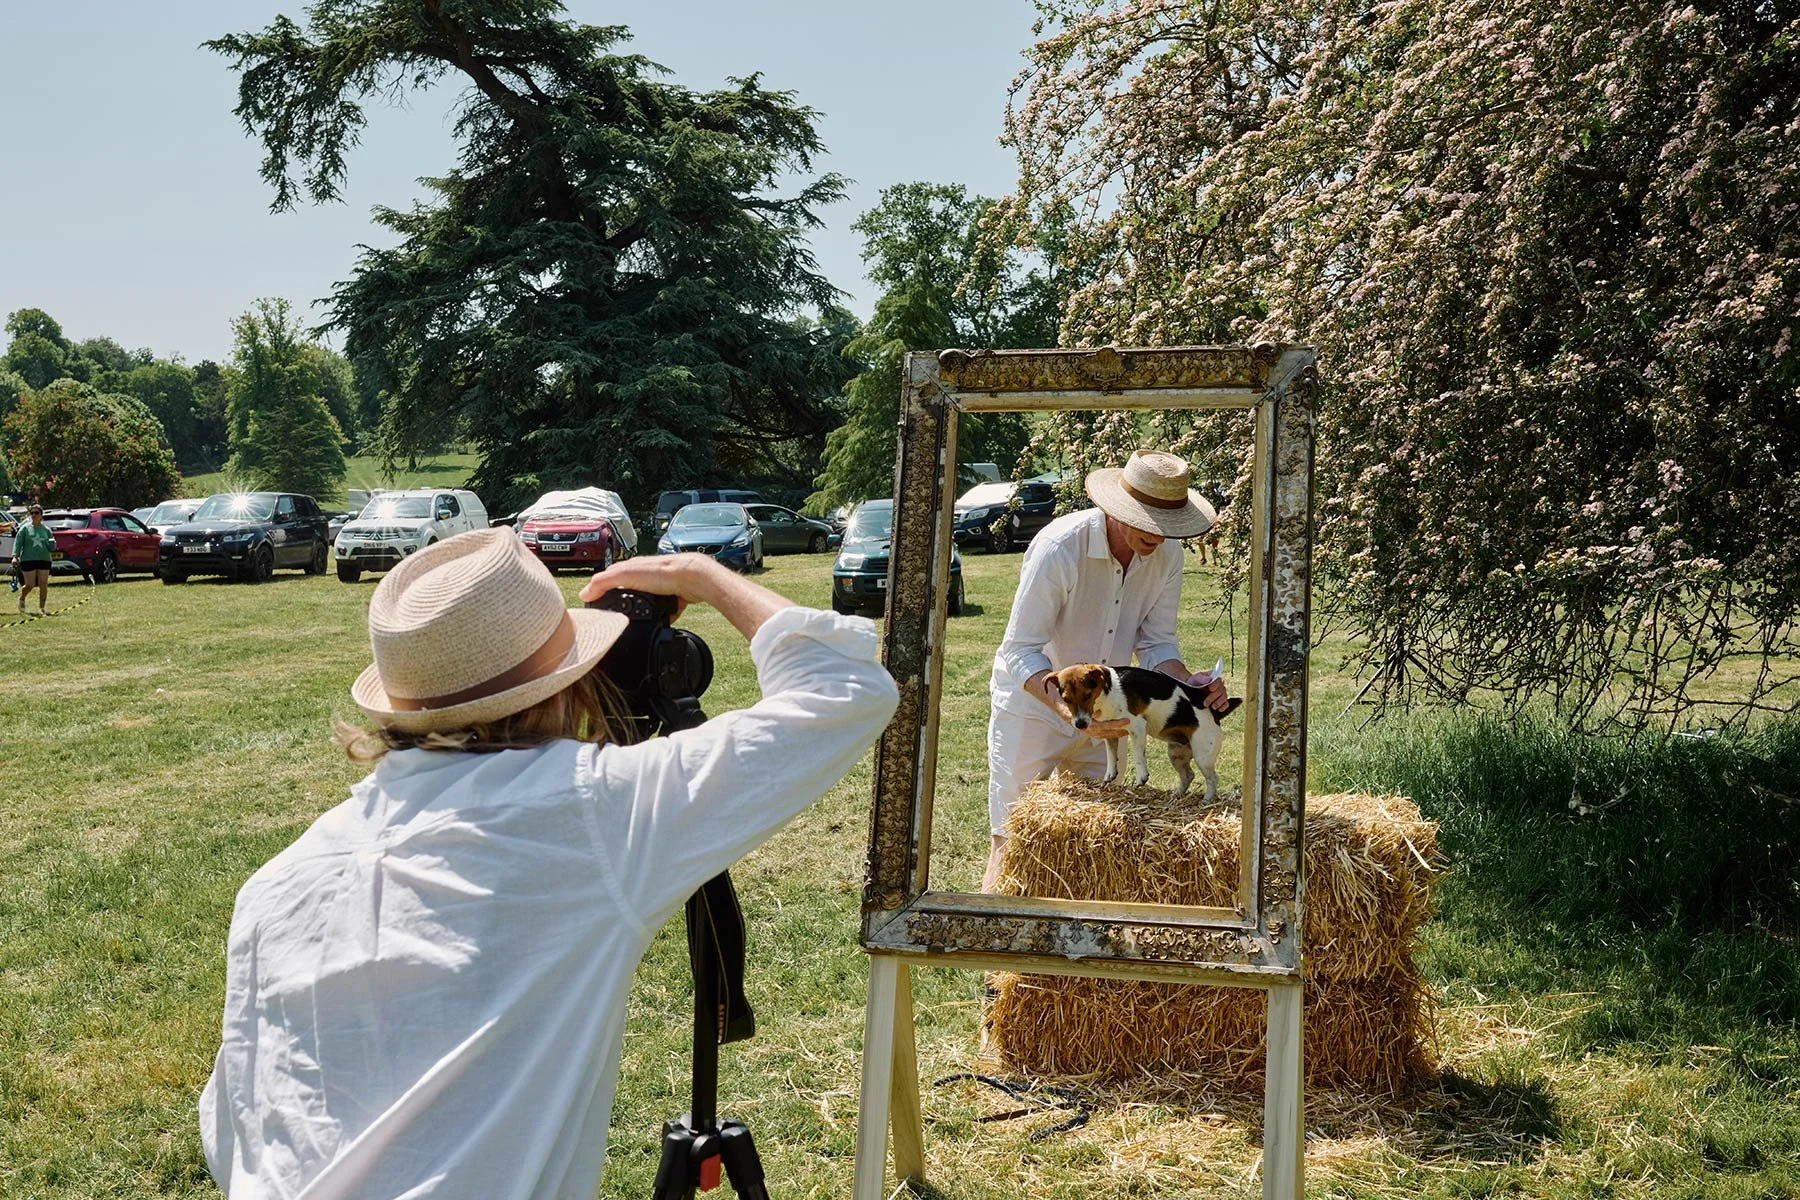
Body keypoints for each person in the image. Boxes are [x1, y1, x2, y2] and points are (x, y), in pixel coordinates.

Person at [198, 528, 898, 1199]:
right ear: (572, 684)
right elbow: (845, 686)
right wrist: (703, 577)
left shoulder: (273, 889)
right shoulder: (592, 813)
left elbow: (236, 1134)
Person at [984, 451, 1230, 891]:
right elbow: (1020, 650)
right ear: (1116, 509)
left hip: (1109, 713)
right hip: (1032, 709)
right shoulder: (1062, 547)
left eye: (1167, 524)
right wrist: (1071, 714)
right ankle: (997, 962)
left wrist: (1188, 685)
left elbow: (1156, 644)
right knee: (1013, 842)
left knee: (1095, 850)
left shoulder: (1167, 555)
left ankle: (1074, 957)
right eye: (1148, 520)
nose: (1159, 535)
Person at [12, 504, 53, 617]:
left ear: (41, 515)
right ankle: (22, 598)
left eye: (36, 513)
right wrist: (15, 556)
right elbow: (18, 543)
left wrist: (52, 544)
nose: (34, 515)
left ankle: (41, 608)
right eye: (32, 513)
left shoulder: (46, 530)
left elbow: (51, 546)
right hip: (28, 559)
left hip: (44, 559)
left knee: (43, 584)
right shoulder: (25, 529)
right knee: (29, 585)